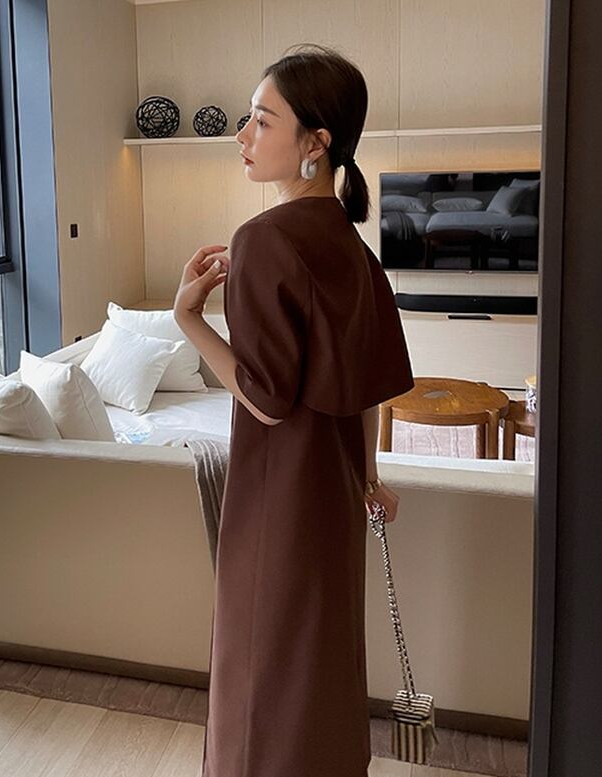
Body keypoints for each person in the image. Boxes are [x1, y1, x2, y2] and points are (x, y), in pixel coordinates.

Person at [172, 43, 414, 777]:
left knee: (259, 662)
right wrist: (368, 477)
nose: (242, 135)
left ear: (316, 143)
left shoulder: (264, 239)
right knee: (321, 657)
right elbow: (365, 387)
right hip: (335, 493)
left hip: (277, 495)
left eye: (261, 120)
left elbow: (267, 401)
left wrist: (189, 319)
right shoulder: (352, 247)